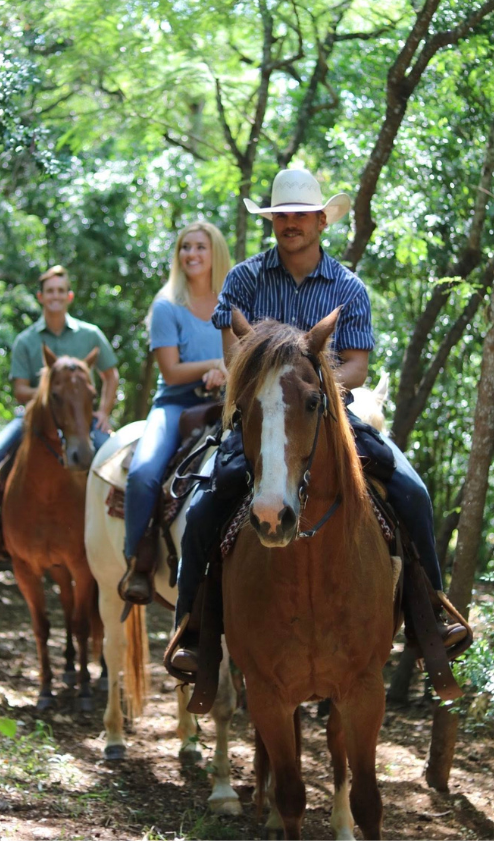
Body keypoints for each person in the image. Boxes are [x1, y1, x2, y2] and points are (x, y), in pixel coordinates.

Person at [164, 168, 471, 678]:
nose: (291, 223)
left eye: (301, 215)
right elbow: (234, 357)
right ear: (273, 222)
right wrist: (273, 389)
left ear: (321, 221)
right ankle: (191, 631)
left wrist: (308, 388)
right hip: (258, 420)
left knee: (413, 492)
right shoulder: (243, 280)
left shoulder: (349, 288)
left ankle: (430, 615)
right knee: (200, 512)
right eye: (282, 215)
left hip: (330, 416)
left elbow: (357, 367)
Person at [116, 223, 232, 603]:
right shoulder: (166, 305)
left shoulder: (232, 300)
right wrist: (212, 365)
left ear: (215, 253)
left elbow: (242, 354)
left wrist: (226, 372)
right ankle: (138, 562)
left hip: (226, 404)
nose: (191, 254)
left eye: (200, 247)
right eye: (185, 247)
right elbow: (170, 371)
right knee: (144, 473)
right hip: (177, 404)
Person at [0, 265, 119, 563]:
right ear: (40, 297)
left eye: (61, 291)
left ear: (69, 296)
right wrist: (50, 397)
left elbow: (111, 375)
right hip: (35, 419)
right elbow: (20, 390)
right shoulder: (26, 340)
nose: (55, 296)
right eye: (50, 291)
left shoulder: (90, 334)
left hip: (81, 420)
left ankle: (117, 536)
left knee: (115, 463)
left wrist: (103, 411)